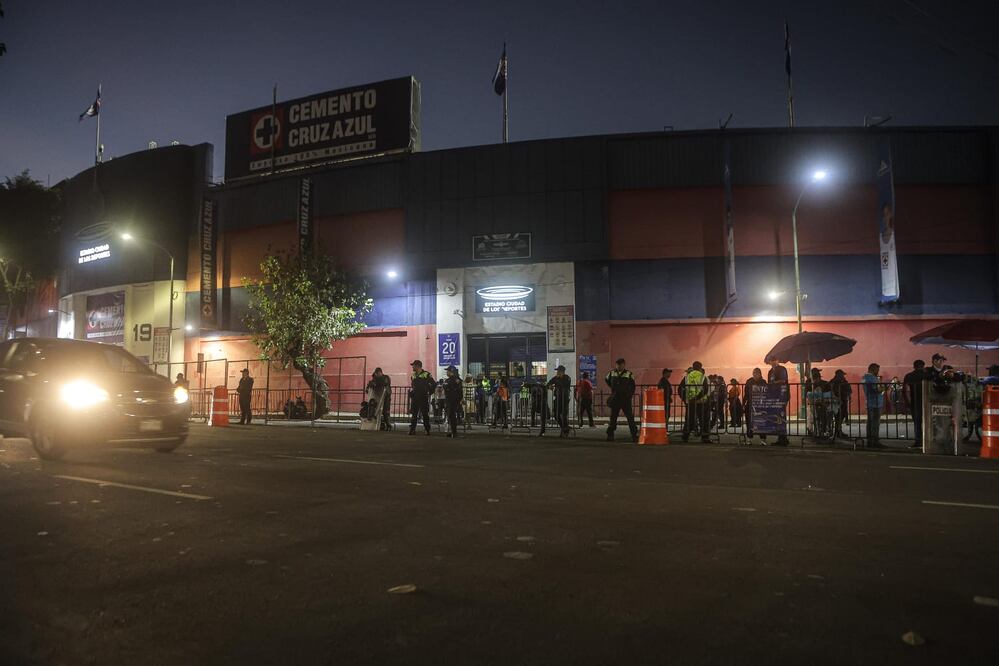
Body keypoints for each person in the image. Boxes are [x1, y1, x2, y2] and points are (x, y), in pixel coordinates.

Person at [605, 358, 638, 442]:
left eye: (621, 365)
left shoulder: (629, 374)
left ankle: (634, 435)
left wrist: (629, 395)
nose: (619, 366)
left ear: (624, 365)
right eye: (618, 365)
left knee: (630, 417)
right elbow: (607, 380)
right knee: (613, 418)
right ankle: (610, 435)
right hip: (615, 398)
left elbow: (633, 386)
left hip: (625, 399)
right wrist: (613, 389)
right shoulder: (611, 373)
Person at [681, 361, 710, 443]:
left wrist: (685, 399)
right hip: (701, 402)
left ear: (693, 367)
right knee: (703, 419)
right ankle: (705, 437)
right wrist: (697, 398)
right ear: (700, 367)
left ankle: (685, 436)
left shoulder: (686, 377)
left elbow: (680, 389)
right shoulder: (703, 377)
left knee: (689, 419)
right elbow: (705, 389)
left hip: (690, 402)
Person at [767, 359, 790, 446]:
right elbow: (769, 383)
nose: (772, 362)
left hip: (782, 396)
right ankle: (781, 438)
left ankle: (783, 438)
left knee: (781, 416)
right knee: (777, 417)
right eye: (771, 361)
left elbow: (783, 380)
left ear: (777, 360)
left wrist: (774, 382)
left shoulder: (782, 369)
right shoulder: (770, 372)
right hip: (774, 397)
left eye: (774, 360)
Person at [903, 360, 926, 448]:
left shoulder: (909, 376)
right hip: (926, 401)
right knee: (928, 422)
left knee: (917, 423)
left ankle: (918, 441)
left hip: (914, 402)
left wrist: (907, 402)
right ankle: (927, 440)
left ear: (914, 366)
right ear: (923, 366)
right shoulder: (926, 375)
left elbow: (905, 391)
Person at [408, 360, 435, 435]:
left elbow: (433, 384)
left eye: (413, 365)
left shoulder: (426, 374)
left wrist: (430, 392)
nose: (412, 367)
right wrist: (412, 392)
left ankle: (427, 430)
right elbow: (413, 385)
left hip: (423, 397)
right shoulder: (413, 375)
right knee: (414, 414)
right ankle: (412, 429)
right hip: (415, 397)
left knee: (425, 414)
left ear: (417, 366)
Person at [862, 363, 885, 449]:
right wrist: (883, 388)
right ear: (872, 369)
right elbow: (875, 389)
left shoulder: (865, 377)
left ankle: (871, 440)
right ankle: (874, 441)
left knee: (871, 423)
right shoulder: (870, 378)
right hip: (875, 403)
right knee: (874, 423)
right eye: (877, 369)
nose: (878, 371)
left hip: (872, 402)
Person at [547, 365, 572, 437]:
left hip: (565, 399)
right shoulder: (556, 378)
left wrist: (557, 380)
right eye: (557, 371)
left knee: (564, 415)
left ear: (562, 371)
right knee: (556, 415)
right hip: (557, 398)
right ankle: (564, 428)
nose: (557, 372)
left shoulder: (567, 378)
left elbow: (564, 385)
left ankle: (565, 431)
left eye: (558, 371)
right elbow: (548, 383)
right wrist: (549, 386)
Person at [743, 368, 767, 441]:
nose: (755, 375)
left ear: (760, 374)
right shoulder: (749, 381)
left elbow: (766, 393)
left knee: (761, 421)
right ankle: (749, 438)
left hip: (760, 405)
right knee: (749, 422)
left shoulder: (763, 382)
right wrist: (743, 404)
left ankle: (763, 439)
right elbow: (746, 394)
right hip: (750, 405)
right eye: (754, 373)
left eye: (757, 373)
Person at [829, 370, 852, 439]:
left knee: (841, 416)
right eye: (842, 375)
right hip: (837, 401)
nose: (843, 376)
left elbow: (849, 389)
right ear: (838, 375)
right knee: (838, 417)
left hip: (843, 400)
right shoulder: (833, 382)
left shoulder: (844, 381)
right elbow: (832, 390)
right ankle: (837, 432)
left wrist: (849, 396)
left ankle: (838, 431)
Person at [443, 366, 464, 438]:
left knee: (452, 416)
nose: (447, 372)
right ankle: (452, 431)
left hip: (453, 400)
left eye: (448, 371)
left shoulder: (455, 380)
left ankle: (454, 432)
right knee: (450, 416)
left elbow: (458, 390)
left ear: (451, 371)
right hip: (450, 400)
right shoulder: (452, 380)